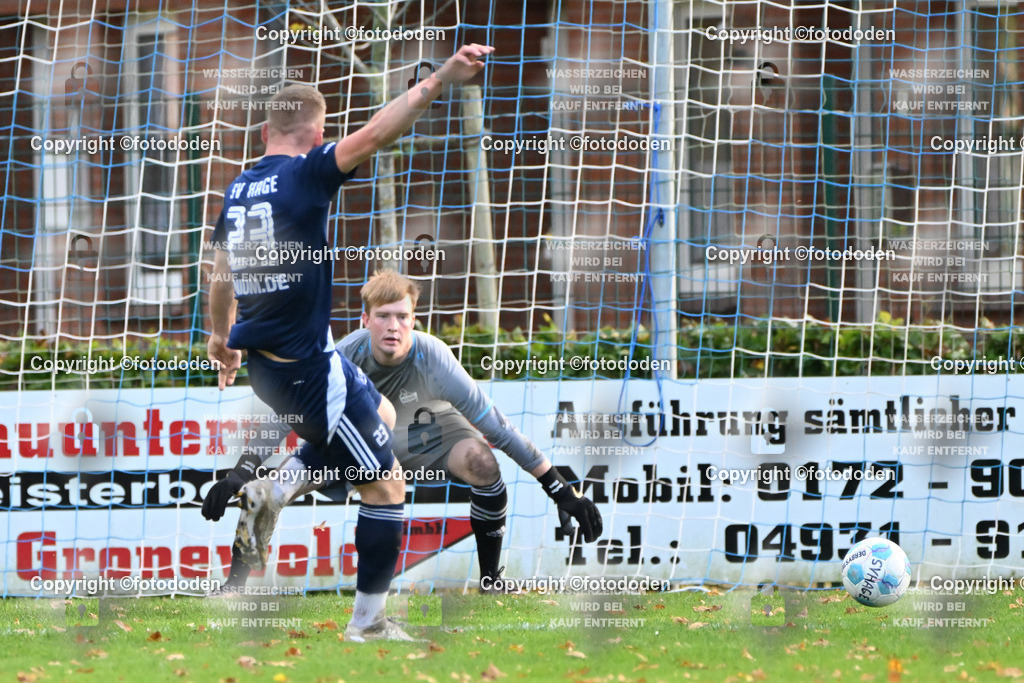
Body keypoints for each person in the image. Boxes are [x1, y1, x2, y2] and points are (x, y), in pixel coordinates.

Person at [206, 44, 494, 642]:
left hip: (268, 364)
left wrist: (219, 337)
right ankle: (366, 624)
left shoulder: (236, 192)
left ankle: (272, 489)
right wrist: (443, 76)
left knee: (384, 412)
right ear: (316, 135)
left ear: (265, 131)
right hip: (309, 373)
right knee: (387, 483)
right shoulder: (309, 172)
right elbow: (377, 131)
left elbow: (220, 274)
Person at [203, 270, 603, 592]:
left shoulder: (435, 359)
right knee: (271, 490)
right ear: (365, 320)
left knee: (483, 461)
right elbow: (287, 413)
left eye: (402, 317)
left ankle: (490, 581)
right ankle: (233, 588)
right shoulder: (344, 355)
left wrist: (560, 490)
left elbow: (496, 426)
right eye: (382, 316)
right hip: (357, 440)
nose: (392, 326)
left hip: (425, 438)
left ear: (414, 321)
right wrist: (244, 468)